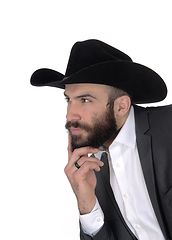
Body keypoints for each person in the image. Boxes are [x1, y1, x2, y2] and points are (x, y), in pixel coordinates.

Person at [30, 39, 172, 240]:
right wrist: (87, 205)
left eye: (85, 100)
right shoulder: (93, 172)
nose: (70, 115)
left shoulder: (167, 127)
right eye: (68, 100)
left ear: (121, 106)